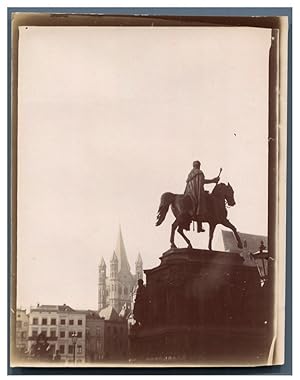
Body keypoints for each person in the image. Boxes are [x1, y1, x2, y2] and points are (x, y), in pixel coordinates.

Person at [184, 160, 220, 232]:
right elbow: (202, 182)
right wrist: (213, 180)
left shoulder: (190, 174)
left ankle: (191, 224)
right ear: (199, 166)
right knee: (207, 200)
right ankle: (203, 222)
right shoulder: (199, 173)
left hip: (189, 193)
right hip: (197, 193)